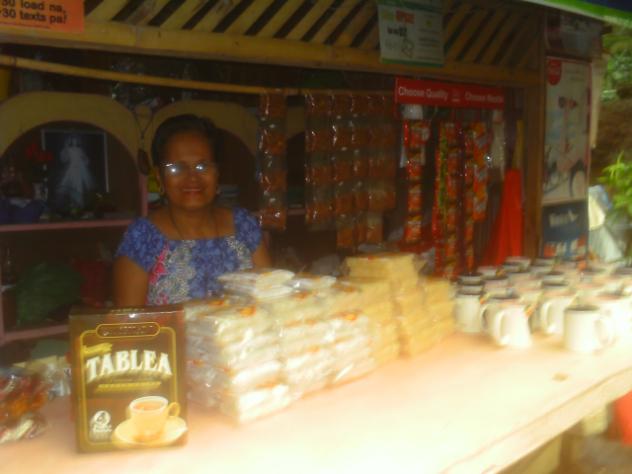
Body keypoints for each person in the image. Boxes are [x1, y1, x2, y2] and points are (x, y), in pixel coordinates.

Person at [113, 114, 270, 306]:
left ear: (217, 173)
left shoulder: (244, 225)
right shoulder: (142, 237)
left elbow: (271, 300)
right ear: (160, 177)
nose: (192, 177)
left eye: (203, 166)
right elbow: (130, 321)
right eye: (177, 168)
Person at [55, 134, 95, 211]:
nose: (74, 141)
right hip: (71, 169)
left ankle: (79, 205)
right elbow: (64, 159)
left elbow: (86, 159)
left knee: (79, 186)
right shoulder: (68, 149)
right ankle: (73, 205)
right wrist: (66, 148)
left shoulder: (80, 150)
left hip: (79, 170)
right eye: (73, 140)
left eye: (76, 140)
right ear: (70, 141)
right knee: (71, 186)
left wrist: (85, 161)